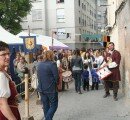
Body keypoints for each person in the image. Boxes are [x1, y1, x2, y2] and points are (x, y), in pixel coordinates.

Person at [0, 41, 21, 119]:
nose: (8, 57)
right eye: (3, 54)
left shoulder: (3, 72)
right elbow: (2, 104)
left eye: (8, 54)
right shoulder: (1, 75)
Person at [37, 50, 59, 120]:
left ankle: (48, 118)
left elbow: (38, 76)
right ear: (51, 55)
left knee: (46, 106)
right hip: (51, 88)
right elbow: (56, 77)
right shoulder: (52, 64)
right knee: (54, 105)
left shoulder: (39, 64)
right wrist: (56, 84)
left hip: (41, 88)